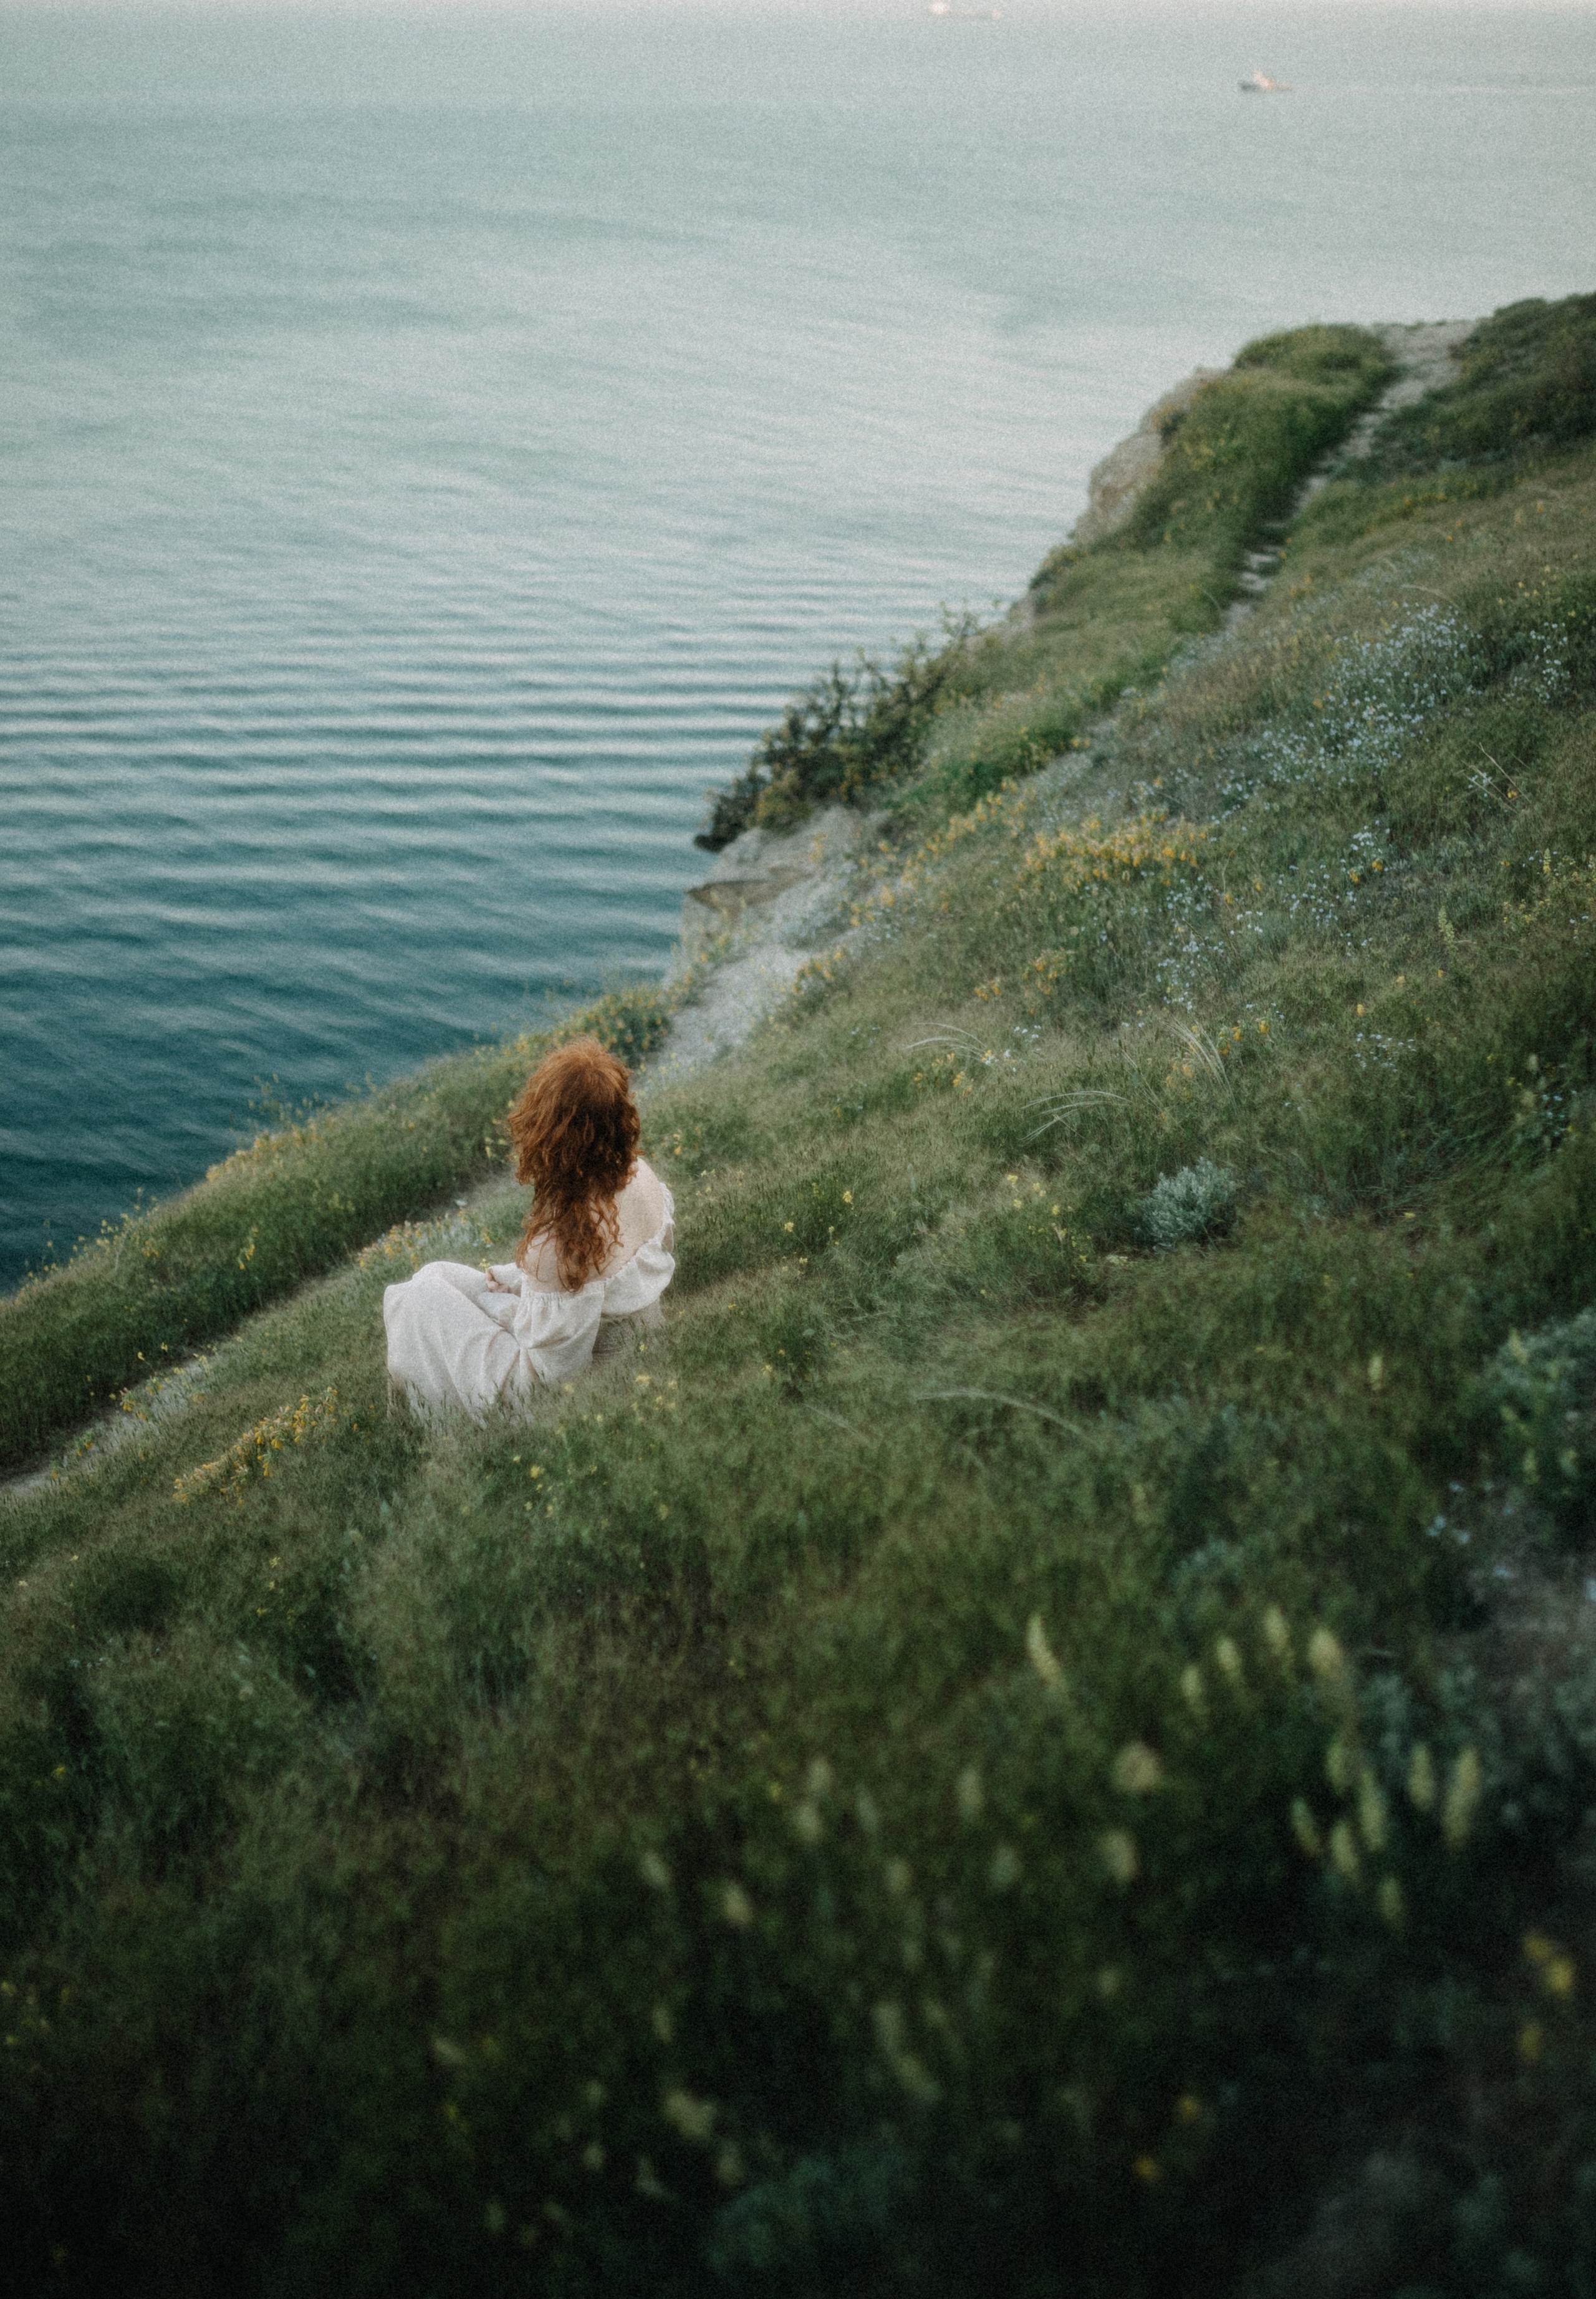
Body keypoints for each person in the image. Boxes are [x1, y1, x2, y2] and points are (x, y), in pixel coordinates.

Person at [383, 1036, 675, 1420]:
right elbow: (601, 1286)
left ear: (552, 1138)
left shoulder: (558, 1244)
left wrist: (515, 1311)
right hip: (634, 1351)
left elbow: (556, 1379)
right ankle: (407, 1408)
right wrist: (521, 1285)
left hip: (543, 1400)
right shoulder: (643, 1178)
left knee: (414, 1300)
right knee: (439, 1275)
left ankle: (408, 1420)